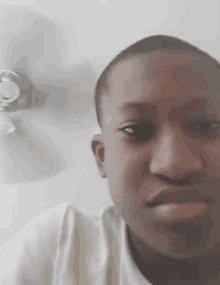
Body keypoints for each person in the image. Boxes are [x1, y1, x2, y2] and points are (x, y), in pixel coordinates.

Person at [1, 34, 220, 284]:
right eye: (135, 130)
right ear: (102, 157)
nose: (174, 165)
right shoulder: (64, 246)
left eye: (207, 125)